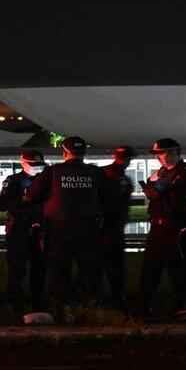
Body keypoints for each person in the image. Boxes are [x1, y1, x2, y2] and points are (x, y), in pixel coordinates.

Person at [24, 136, 116, 323]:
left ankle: (60, 311)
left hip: (59, 230)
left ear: (64, 152)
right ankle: (89, 310)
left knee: (58, 272)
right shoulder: (94, 173)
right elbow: (110, 199)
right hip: (89, 230)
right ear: (84, 153)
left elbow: (31, 196)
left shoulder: (53, 171)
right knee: (89, 272)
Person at [138, 138, 186, 320]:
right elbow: (154, 196)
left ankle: (180, 308)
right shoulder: (159, 173)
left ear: (174, 152)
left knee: (178, 271)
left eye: (161, 153)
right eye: (158, 154)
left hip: (177, 228)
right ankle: (144, 308)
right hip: (158, 227)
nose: (159, 158)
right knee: (150, 270)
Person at [0, 149, 47, 320]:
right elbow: (2, 205)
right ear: (22, 162)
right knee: (17, 269)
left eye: (39, 165)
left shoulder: (46, 180)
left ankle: (38, 302)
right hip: (18, 231)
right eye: (33, 165)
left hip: (40, 230)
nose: (37, 168)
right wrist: (24, 201)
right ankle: (14, 302)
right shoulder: (14, 181)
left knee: (39, 269)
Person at [100, 146, 135, 312]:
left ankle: (112, 300)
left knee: (111, 266)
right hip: (108, 228)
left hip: (111, 227)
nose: (126, 161)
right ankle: (114, 300)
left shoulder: (111, 174)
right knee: (113, 266)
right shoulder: (114, 175)